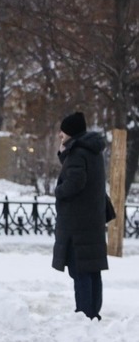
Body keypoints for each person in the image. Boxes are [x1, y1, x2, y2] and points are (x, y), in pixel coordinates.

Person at [52, 111, 109, 320]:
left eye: (63, 131)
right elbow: (77, 171)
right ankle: (93, 311)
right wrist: (64, 154)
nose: (60, 135)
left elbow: (75, 182)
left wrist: (58, 191)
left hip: (78, 222)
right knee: (92, 269)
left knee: (80, 270)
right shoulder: (92, 150)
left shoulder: (77, 153)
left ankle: (84, 314)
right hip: (92, 219)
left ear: (71, 132)